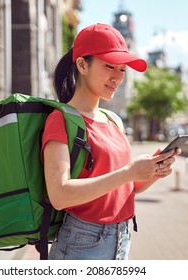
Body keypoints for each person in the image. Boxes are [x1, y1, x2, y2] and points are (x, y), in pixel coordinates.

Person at [41, 23, 180, 260]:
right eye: (109, 66)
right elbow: (60, 195)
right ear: (82, 65)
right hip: (82, 243)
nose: (118, 77)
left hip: (122, 237)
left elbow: (121, 189)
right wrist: (128, 172)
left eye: (123, 70)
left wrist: (152, 172)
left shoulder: (113, 120)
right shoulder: (60, 120)